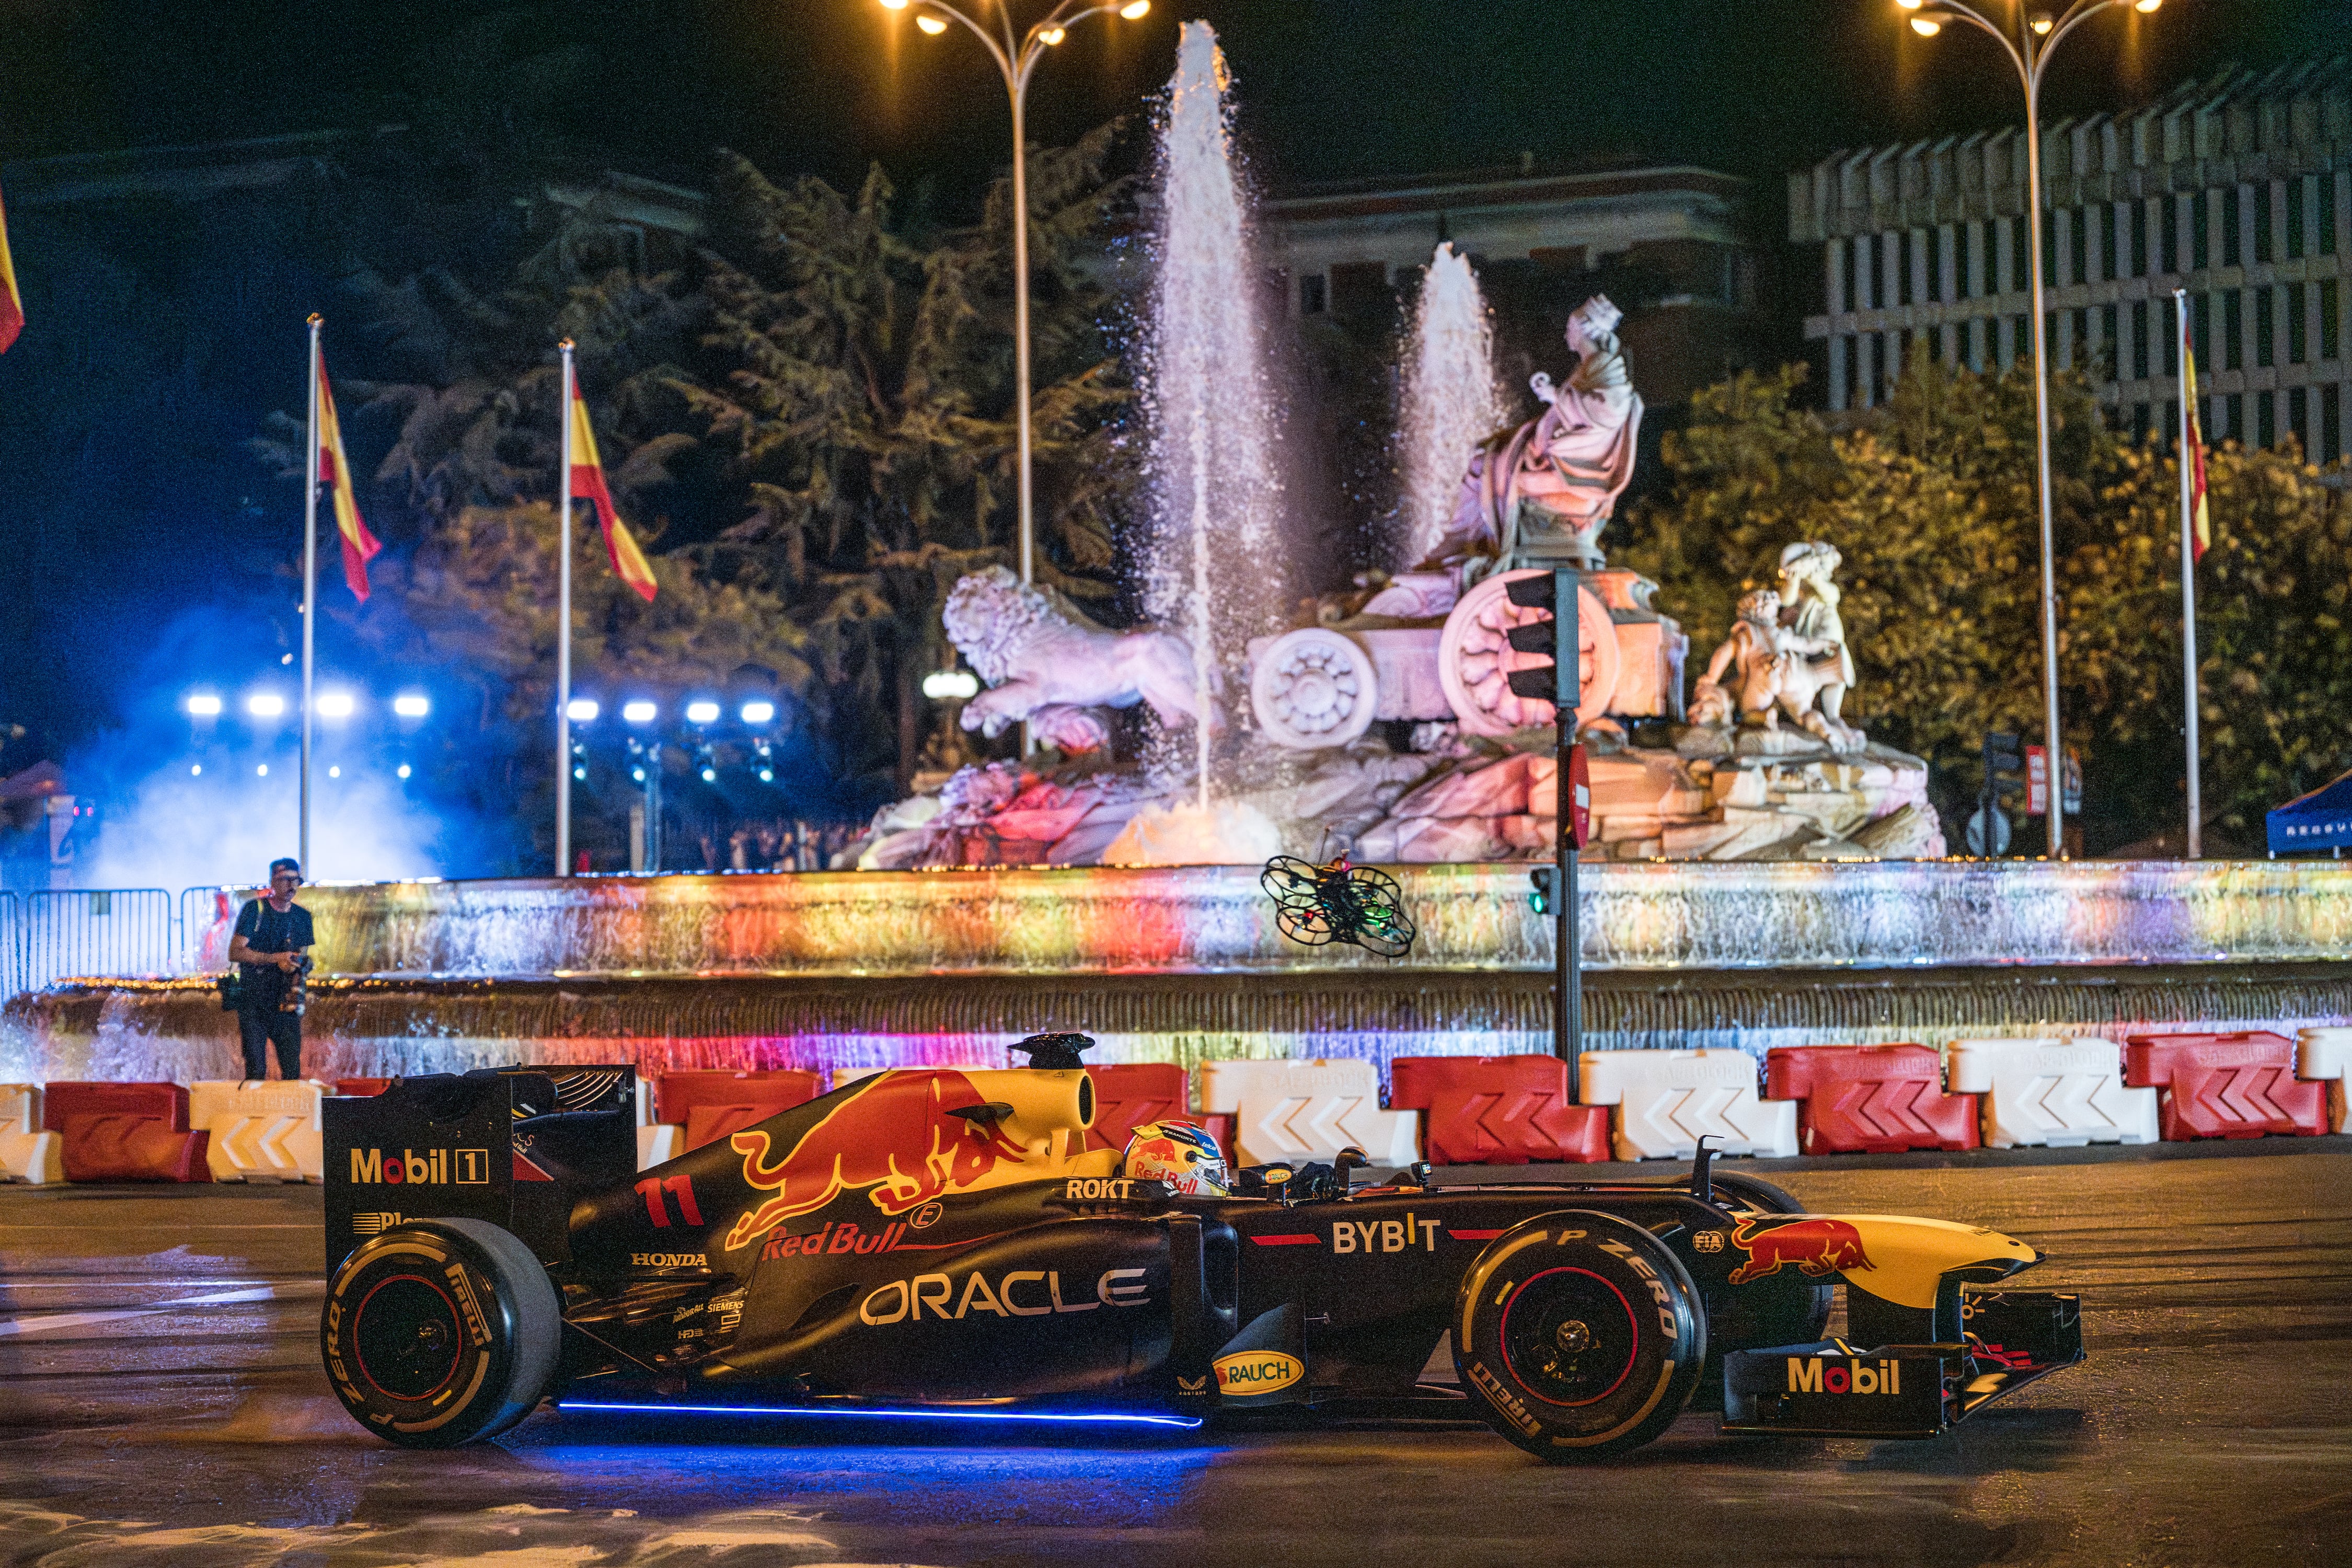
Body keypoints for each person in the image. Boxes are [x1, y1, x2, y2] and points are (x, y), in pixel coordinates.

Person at [227, 857, 314, 1082]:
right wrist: (275, 959)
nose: (291, 885)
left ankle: (289, 1115)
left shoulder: (302, 917)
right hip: (253, 1001)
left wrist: (300, 964)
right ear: (272, 882)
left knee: (292, 1069)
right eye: (285, 879)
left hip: (286, 1002)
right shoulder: (254, 910)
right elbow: (235, 952)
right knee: (256, 1068)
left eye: (296, 880)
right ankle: (252, 1114)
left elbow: (301, 956)